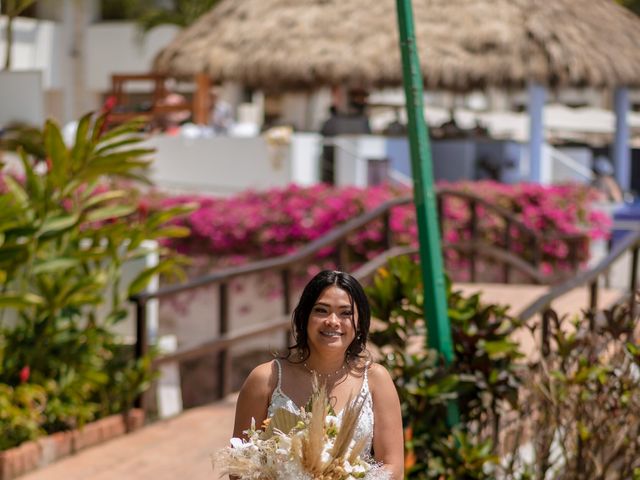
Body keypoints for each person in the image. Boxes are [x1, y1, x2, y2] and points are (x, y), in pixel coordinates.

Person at [232, 270, 404, 479]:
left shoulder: (377, 380)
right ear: (304, 318)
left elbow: (393, 468)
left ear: (359, 323)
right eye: (321, 310)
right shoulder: (265, 379)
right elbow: (239, 468)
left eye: (345, 313)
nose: (333, 321)